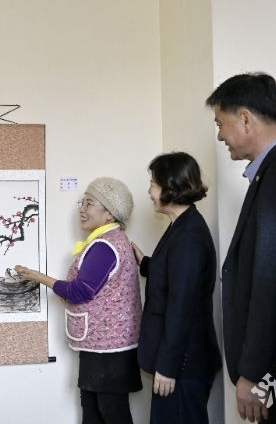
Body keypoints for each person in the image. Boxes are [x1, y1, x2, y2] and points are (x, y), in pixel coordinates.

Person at [205, 73, 276, 423]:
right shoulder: (271, 168)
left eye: (220, 124)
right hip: (275, 364)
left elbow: (272, 279)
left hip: (275, 365)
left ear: (245, 119)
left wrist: (254, 374)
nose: (219, 135)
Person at [15, 177, 142, 424]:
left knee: (110, 412)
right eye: (82, 202)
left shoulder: (105, 246)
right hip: (105, 345)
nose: (82, 209)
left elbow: (80, 291)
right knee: (95, 411)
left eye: (90, 203)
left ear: (109, 213)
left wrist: (38, 277)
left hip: (108, 350)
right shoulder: (110, 240)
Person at [132, 152, 222, 424]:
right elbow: (177, 275)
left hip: (183, 365)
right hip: (180, 362)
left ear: (171, 187)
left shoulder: (189, 236)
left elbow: (182, 306)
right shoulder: (181, 226)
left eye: (153, 184)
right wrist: (145, 263)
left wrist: (168, 366)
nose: (149, 191)